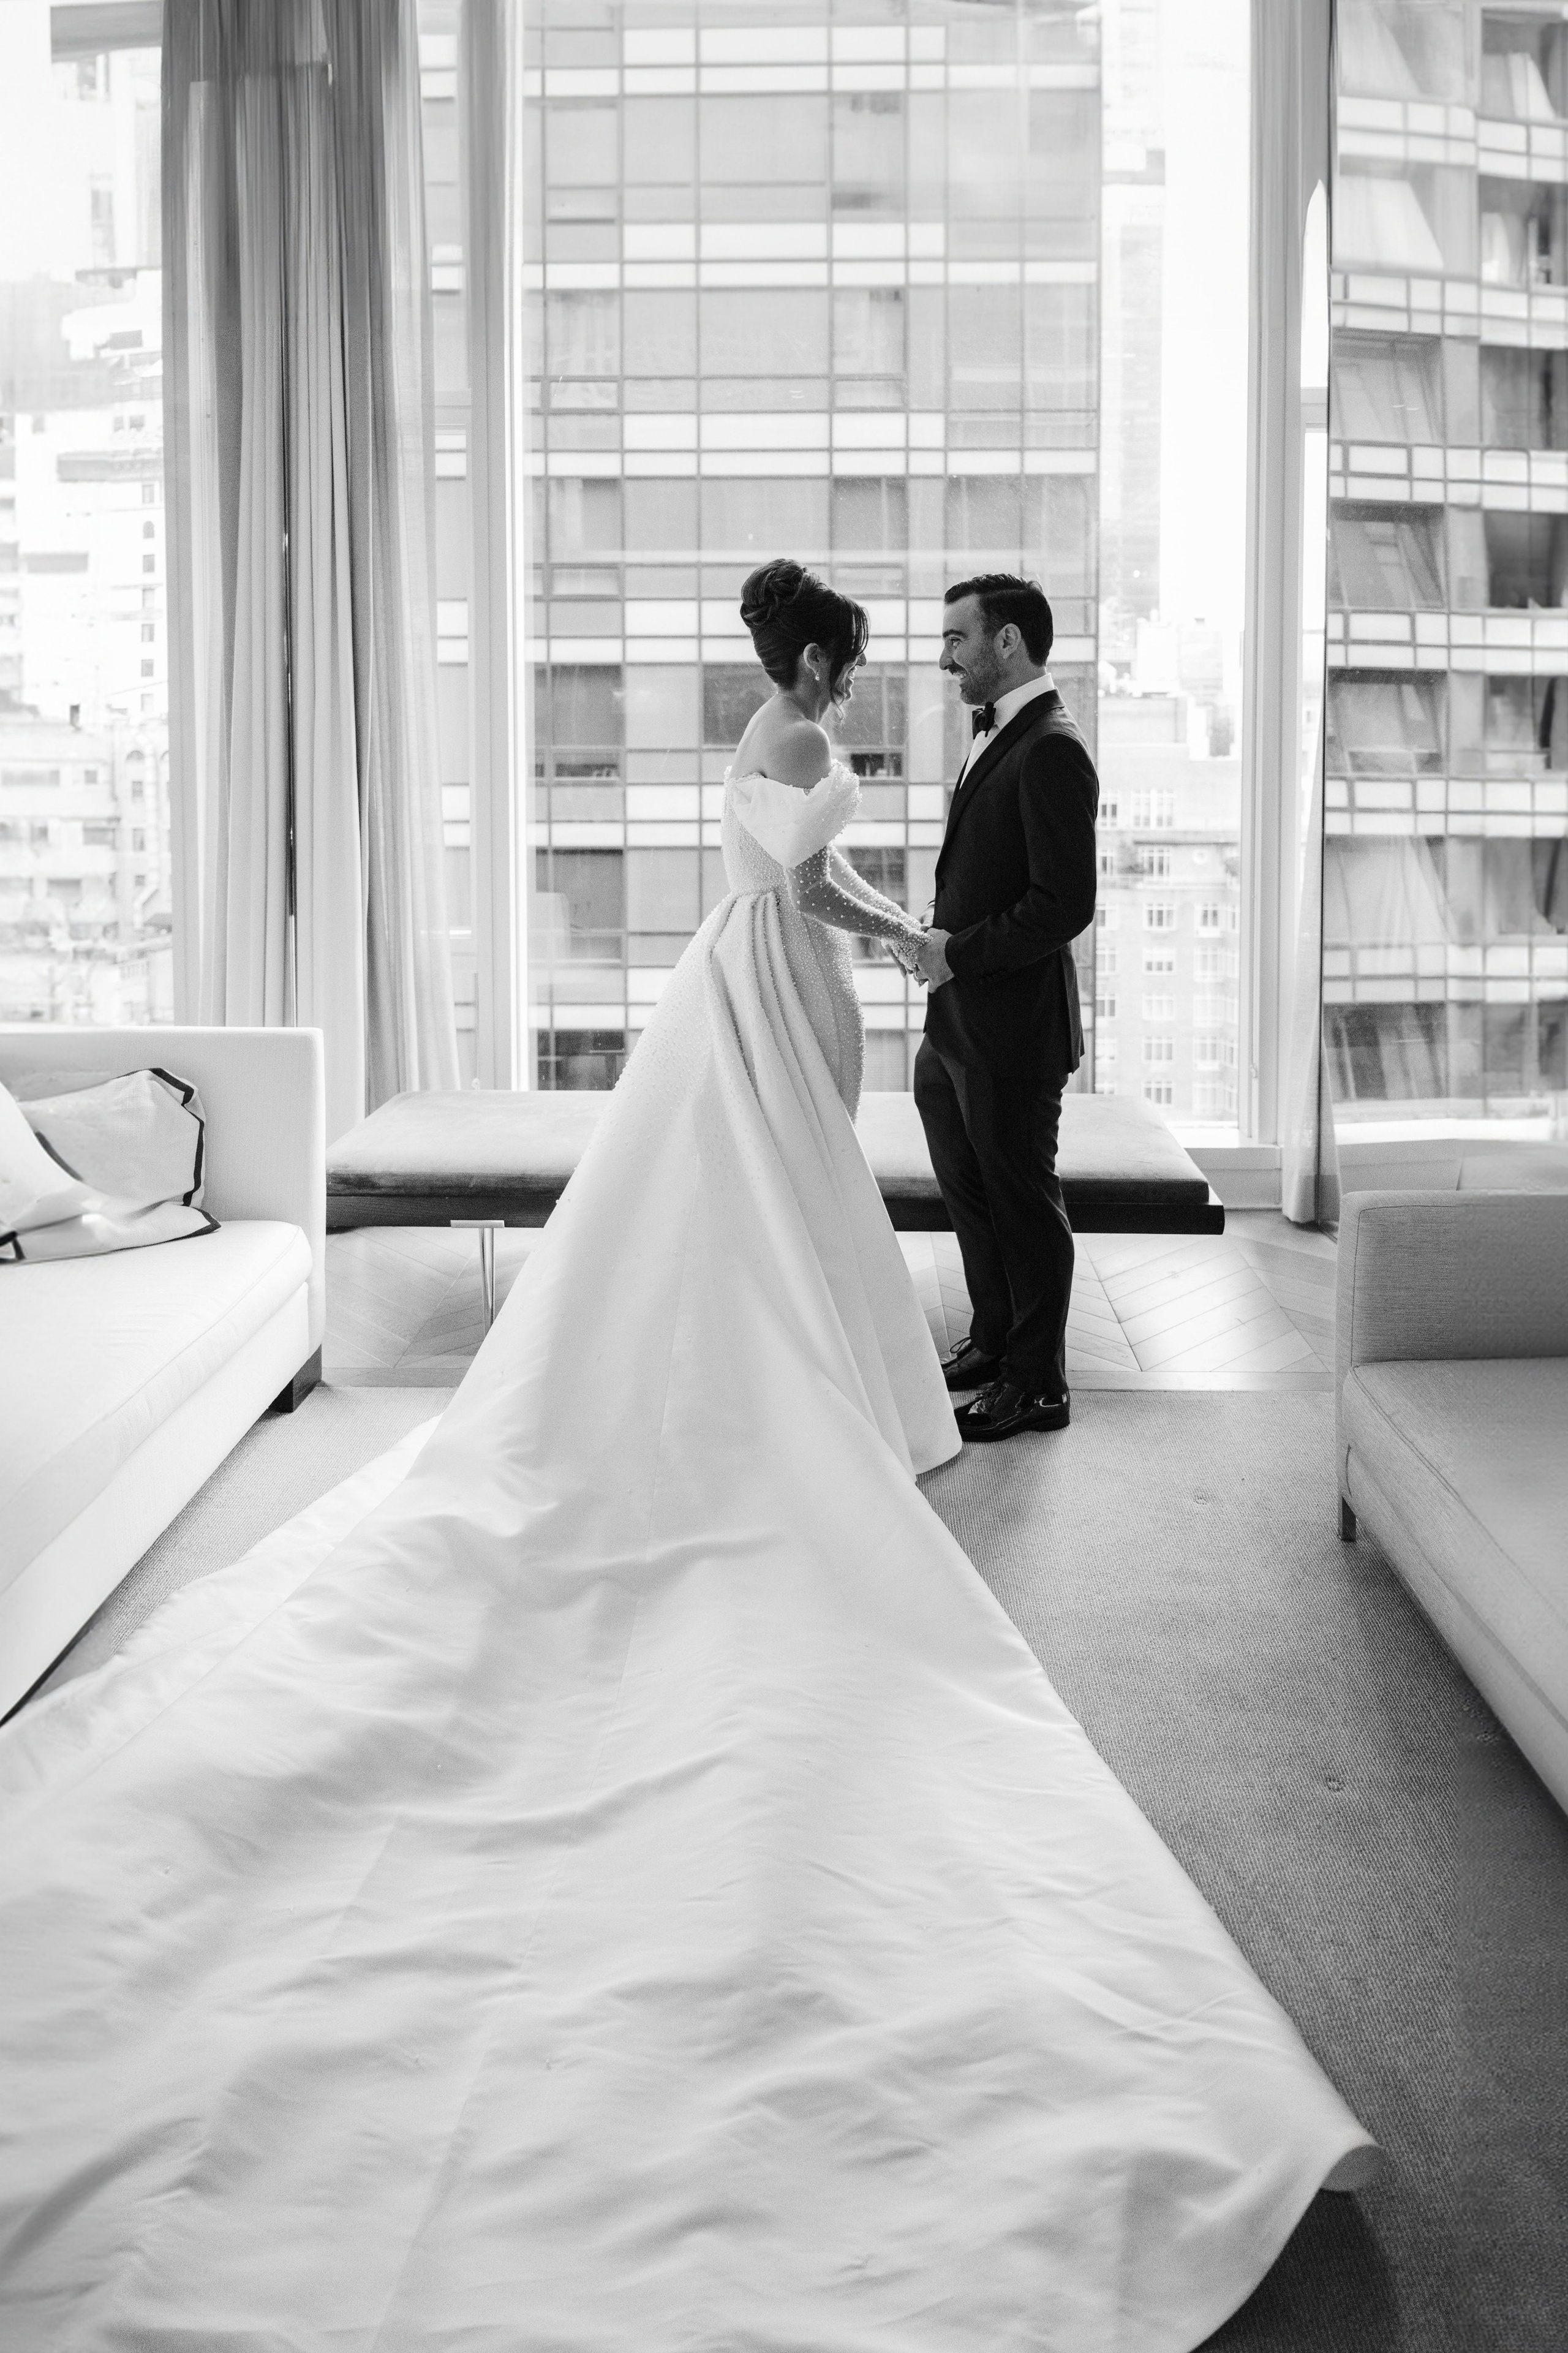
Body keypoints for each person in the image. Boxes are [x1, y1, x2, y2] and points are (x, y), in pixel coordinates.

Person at [0, 559, 1380, 2349]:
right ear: (814, 657)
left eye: (941, 643)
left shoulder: (867, 731)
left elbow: (873, 880)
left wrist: (892, 933)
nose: (903, 667)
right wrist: (892, 935)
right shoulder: (795, 728)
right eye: (876, 649)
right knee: (788, 1187)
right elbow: (811, 879)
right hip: (784, 966)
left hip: (809, 970)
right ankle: (830, 1374)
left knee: (867, 1189)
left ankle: (923, 1361)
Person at [912, 572, 1098, 1443]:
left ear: (1008, 643)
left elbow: (1064, 904)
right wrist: (938, 935)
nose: (945, 655)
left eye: (957, 638)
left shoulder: (1055, 746)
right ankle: (993, 1342)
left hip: (1014, 1030)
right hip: (955, 1027)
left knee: (1024, 1202)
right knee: (973, 1195)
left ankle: (1039, 1383)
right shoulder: (999, 736)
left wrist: (959, 951)